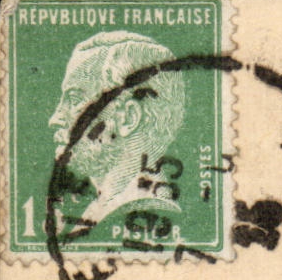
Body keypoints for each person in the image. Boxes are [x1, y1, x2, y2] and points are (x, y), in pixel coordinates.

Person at [47, 30, 186, 227]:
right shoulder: (102, 211)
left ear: (128, 118)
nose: (54, 119)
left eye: (75, 99)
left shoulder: (141, 211)